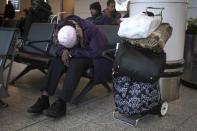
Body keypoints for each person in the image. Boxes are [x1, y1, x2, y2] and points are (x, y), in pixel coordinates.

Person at [27, 15, 112, 118]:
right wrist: (63, 50)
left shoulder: (92, 30)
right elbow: (57, 46)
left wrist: (72, 52)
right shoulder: (63, 27)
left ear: (77, 32)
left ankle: (61, 103)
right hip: (77, 54)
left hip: (95, 58)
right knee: (56, 61)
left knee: (76, 62)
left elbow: (97, 52)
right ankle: (44, 99)